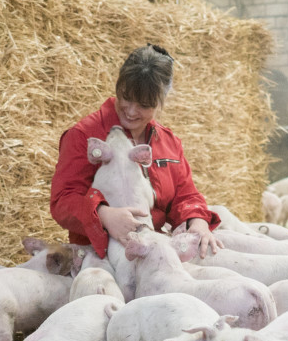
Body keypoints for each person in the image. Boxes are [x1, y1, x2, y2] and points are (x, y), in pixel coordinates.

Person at [50, 44, 222, 260]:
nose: (131, 111)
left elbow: (185, 195)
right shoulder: (84, 135)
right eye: (126, 97)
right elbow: (62, 200)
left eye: (144, 104)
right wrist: (103, 215)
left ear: (161, 101)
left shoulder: (168, 142)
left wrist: (197, 221)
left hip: (153, 249)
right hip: (98, 255)